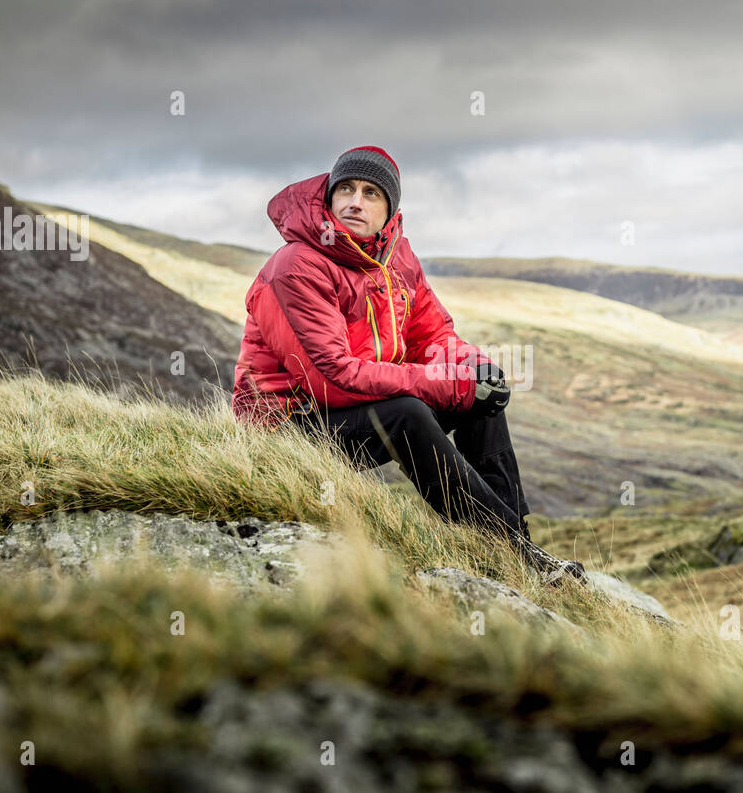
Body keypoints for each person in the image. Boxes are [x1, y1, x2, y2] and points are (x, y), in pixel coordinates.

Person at [233, 145, 587, 584]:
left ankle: (514, 547)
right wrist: (448, 384)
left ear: (391, 209)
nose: (354, 201)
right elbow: (332, 378)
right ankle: (519, 556)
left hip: (351, 409)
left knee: (480, 402)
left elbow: (433, 335)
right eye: (344, 189)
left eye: (370, 193)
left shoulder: (396, 258)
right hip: (287, 426)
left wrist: (475, 369)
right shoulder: (297, 266)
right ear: (328, 197)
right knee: (408, 413)